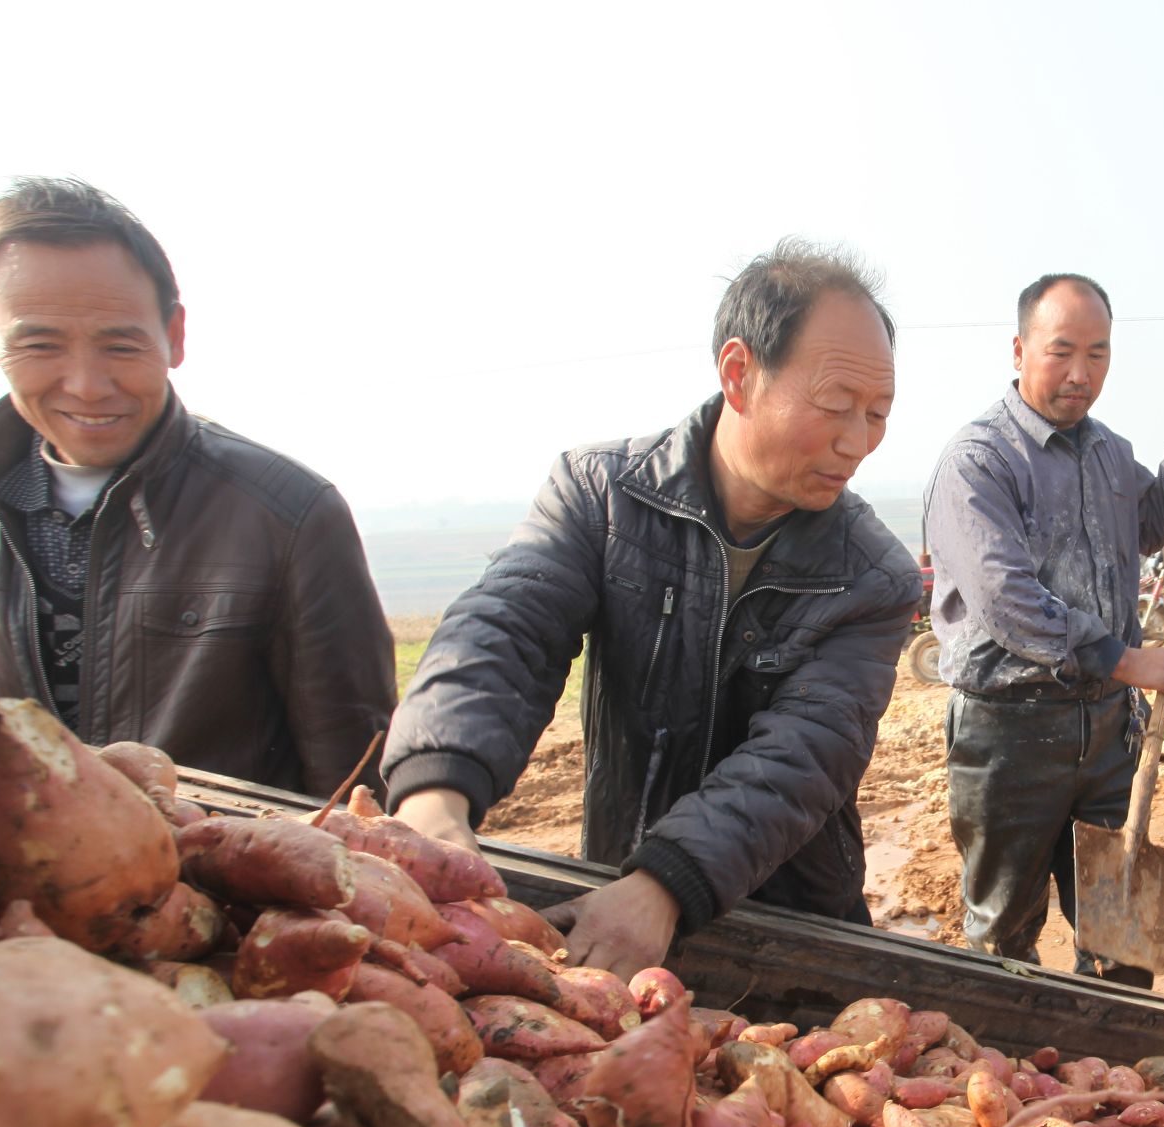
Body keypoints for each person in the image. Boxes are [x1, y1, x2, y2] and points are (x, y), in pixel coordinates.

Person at [383, 241, 917, 979]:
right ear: (739, 374)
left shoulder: (873, 574)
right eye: (834, 407)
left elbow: (806, 752)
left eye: (878, 414)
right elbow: (506, 629)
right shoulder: (601, 496)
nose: (857, 442)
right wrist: (434, 798)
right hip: (615, 892)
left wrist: (667, 883)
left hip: (790, 922)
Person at [0, 178, 392, 797]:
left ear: (175, 335)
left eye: (120, 344)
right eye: (39, 344)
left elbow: (356, 772)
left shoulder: (286, 514)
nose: (86, 385)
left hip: (207, 881)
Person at [923, 273, 1164, 983]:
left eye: (1098, 354)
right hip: (1008, 734)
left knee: (1124, 928)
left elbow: (1144, 523)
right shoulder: (979, 461)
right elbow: (1005, 599)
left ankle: (1120, 1071)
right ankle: (1009, 1073)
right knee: (1003, 933)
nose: (1081, 374)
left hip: (1105, 729)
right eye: (1061, 352)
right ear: (1018, 349)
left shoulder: (1106, 452)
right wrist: (1125, 660)